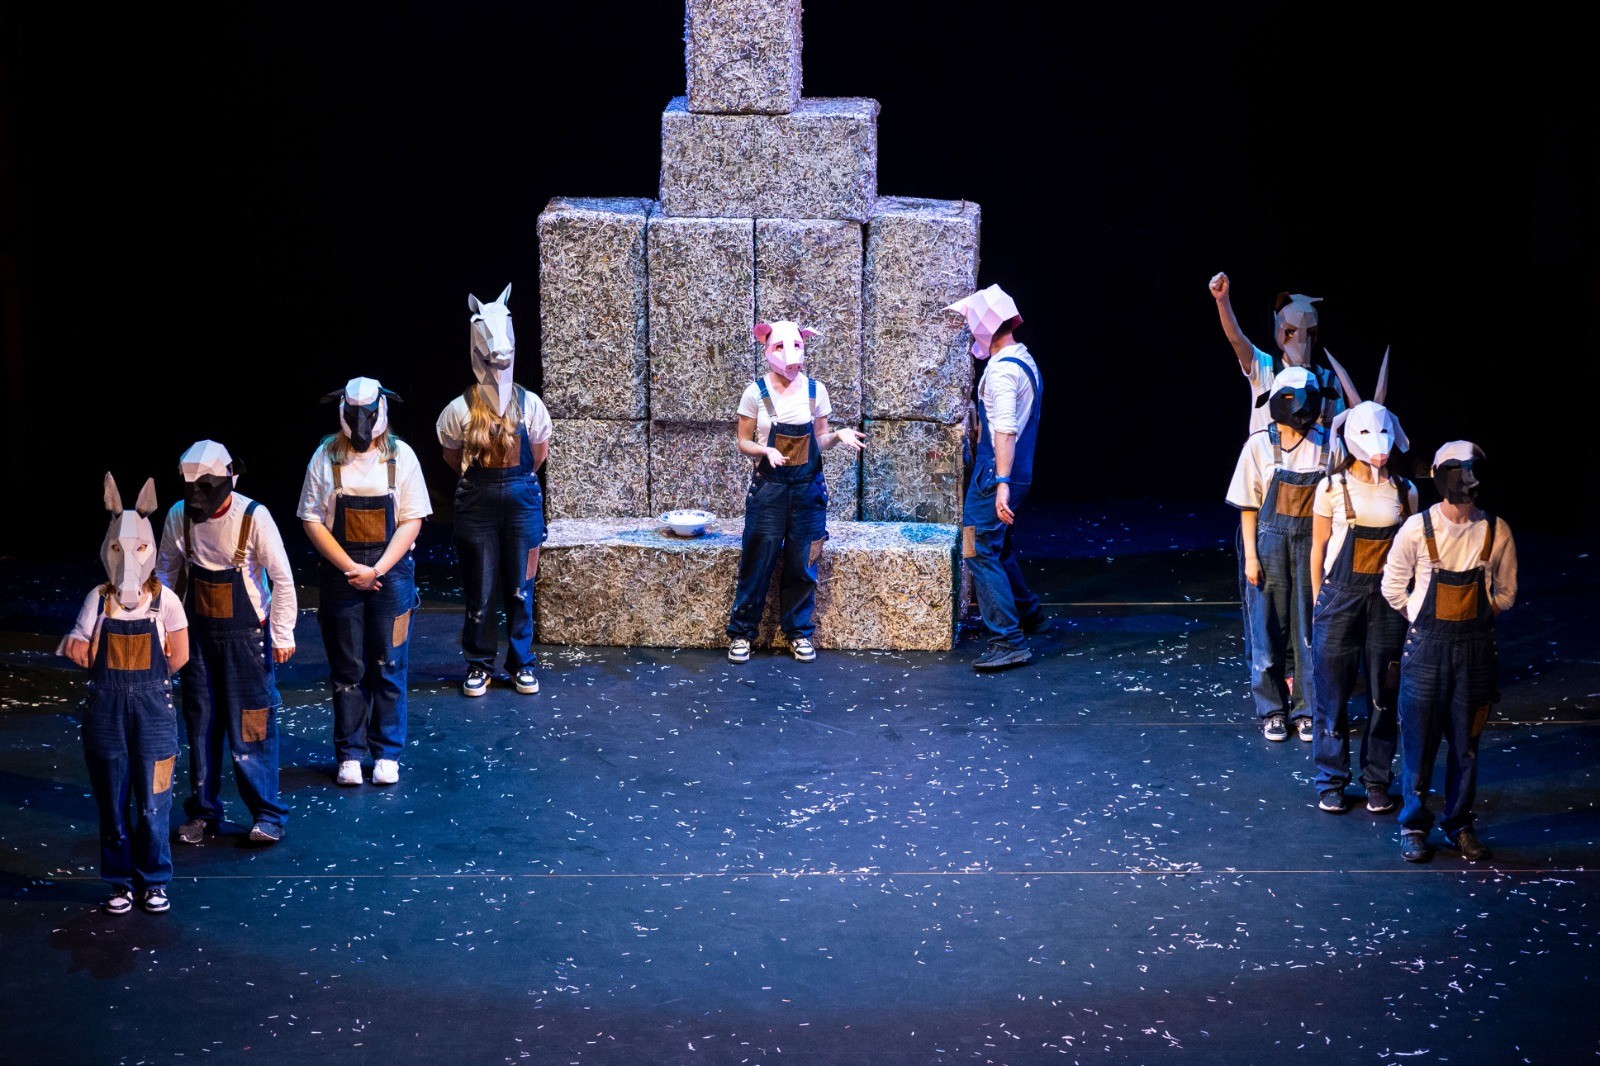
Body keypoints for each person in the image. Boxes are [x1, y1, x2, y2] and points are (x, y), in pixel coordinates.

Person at [1209, 272, 1346, 686]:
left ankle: (1299, 671)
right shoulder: (1265, 368)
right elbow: (1237, 340)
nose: (1299, 341)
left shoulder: (1326, 381)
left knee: (1305, 595)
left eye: (1308, 333)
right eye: (1290, 331)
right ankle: (1268, 673)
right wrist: (1222, 301)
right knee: (1262, 595)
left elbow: (1340, 435)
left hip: (1310, 502)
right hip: (1265, 496)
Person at [156, 440, 297, 845]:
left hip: (246, 640)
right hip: (198, 637)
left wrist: (282, 633)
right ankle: (204, 813)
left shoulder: (253, 517)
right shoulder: (179, 516)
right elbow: (164, 574)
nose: (197, 498)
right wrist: (163, 630)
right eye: (190, 489)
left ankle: (267, 814)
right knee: (201, 723)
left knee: (252, 725)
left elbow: (282, 578)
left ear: (229, 480)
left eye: (206, 488)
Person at [1382, 441, 1516, 863]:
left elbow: (1506, 593)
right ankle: (1413, 826)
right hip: (1426, 652)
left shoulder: (1495, 530)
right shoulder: (1417, 528)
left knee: (1466, 747)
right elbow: (1392, 586)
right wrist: (1421, 618)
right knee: (1419, 746)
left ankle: (1459, 825)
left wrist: (1477, 616)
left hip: (1475, 655)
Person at [60, 474, 189, 914]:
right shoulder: (96, 600)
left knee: (154, 804)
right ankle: (119, 882)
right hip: (106, 714)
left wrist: (147, 685)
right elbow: (83, 653)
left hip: (154, 716)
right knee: (113, 805)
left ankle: (154, 881)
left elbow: (180, 656)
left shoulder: (166, 602)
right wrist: (88, 644)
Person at [299, 377, 431, 786]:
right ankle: (350, 754)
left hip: (391, 575)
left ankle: (387, 752)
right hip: (342, 575)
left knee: (389, 663)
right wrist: (350, 568)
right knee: (348, 668)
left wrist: (377, 570)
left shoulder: (401, 457)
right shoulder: (326, 457)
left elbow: (412, 520)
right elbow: (312, 521)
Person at [1308, 355, 1416, 813]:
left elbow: (1412, 553)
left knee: (1382, 693)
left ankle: (1376, 779)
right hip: (1339, 597)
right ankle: (1331, 779)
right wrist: (1317, 600)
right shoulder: (1331, 488)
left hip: (1386, 603)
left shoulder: (1405, 490)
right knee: (1331, 691)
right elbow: (1317, 551)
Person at [726, 319, 867, 663]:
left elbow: (820, 439)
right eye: (779, 346)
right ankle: (742, 633)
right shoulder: (755, 392)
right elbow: (743, 442)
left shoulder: (815, 390)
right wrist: (766, 451)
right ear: (766, 347)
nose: (789, 354)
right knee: (758, 560)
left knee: (804, 563)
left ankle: (798, 632)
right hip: (769, 490)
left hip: (808, 491)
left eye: (796, 346)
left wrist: (838, 436)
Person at [436, 284, 551, 697]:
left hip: (522, 504)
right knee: (480, 589)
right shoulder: (459, 409)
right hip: (478, 506)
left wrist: (514, 481)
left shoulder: (530, 404)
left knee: (520, 589)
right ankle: (479, 664)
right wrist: (481, 482)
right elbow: (452, 455)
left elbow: (538, 453)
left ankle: (521, 662)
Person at [1226, 366, 1330, 741]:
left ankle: (1305, 709)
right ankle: (1272, 709)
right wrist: (1252, 557)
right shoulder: (1259, 445)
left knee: (1307, 630)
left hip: (1311, 546)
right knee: (1267, 627)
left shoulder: (1327, 444)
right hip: (1268, 545)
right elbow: (1248, 506)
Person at [947, 284, 1045, 671]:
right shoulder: (1023, 359)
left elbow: (1005, 428)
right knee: (998, 546)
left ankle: (1007, 640)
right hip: (1014, 470)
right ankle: (1028, 613)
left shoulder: (1003, 370)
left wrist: (1000, 482)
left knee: (977, 547)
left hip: (996, 475)